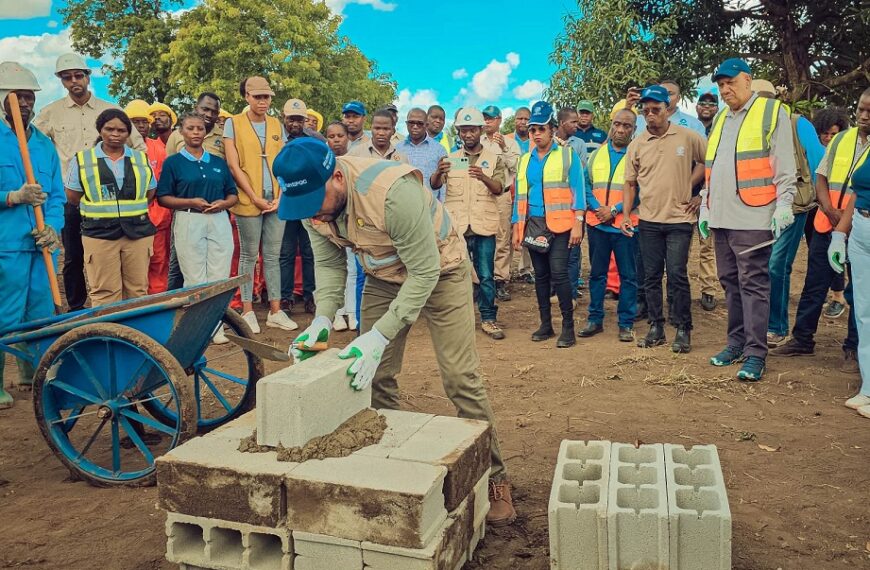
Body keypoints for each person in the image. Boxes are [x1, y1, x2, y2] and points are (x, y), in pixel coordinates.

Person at [273, 137, 517, 526]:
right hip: (384, 277)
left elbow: (423, 273)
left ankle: (495, 478)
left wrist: (378, 335)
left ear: (337, 176)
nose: (313, 216)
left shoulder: (390, 192)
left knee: (460, 378)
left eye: (315, 204)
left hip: (441, 270)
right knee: (372, 377)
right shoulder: (309, 204)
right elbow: (332, 266)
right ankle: (387, 466)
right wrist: (321, 319)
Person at [699, 60, 798, 381]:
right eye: (720, 85)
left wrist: (785, 204)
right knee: (729, 281)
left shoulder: (771, 113)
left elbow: (785, 164)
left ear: (747, 80)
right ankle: (736, 343)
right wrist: (705, 207)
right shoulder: (721, 119)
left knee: (753, 283)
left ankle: (756, 353)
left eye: (731, 83)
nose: (725, 90)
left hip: (754, 216)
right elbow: (713, 168)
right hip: (721, 216)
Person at [34, 52, 145, 312]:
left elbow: (138, 148)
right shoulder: (51, 113)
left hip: (109, 202)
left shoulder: (110, 110)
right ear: (61, 80)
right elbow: (33, 146)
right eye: (67, 77)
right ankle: (77, 312)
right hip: (72, 198)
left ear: (87, 76)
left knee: (114, 255)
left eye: (78, 75)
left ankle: (121, 311)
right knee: (73, 257)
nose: (74, 81)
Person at [771, 91, 869, 371]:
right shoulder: (841, 140)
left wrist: (845, 220)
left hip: (860, 228)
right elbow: (821, 177)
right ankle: (802, 338)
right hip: (827, 224)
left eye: (869, 112)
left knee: (859, 289)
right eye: (861, 109)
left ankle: (852, 347)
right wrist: (827, 209)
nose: (864, 116)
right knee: (814, 284)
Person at [620, 86, 706, 353]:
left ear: (667, 109)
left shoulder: (688, 137)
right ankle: (656, 327)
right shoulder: (637, 144)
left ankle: (683, 328)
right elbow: (630, 183)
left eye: (656, 110)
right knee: (652, 276)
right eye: (646, 111)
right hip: (648, 220)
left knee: (678, 274)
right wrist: (625, 214)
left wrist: (701, 194)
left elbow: (709, 163)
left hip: (680, 219)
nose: (650, 115)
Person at [0, 61, 65, 409]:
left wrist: (53, 227)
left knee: (39, 313)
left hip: (40, 247)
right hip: (5, 246)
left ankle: (30, 373)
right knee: (2, 314)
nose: (25, 104)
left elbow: (55, 196)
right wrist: (12, 197)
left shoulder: (42, 145)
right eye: (18, 97)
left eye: (29, 97)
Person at [749, 80, 826, 349]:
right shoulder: (749, 127)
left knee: (776, 265)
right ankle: (765, 322)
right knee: (763, 265)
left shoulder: (796, 123)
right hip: (760, 206)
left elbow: (819, 163)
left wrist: (821, 202)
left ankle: (776, 327)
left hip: (793, 205)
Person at [223, 76, 296, 333]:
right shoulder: (233, 124)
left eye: (266, 97)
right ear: (246, 97)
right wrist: (254, 196)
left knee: (273, 255)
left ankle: (276, 311)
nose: (263, 101)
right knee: (248, 255)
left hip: (276, 200)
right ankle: (248, 311)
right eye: (258, 97)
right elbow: (233, 164)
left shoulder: (276, 124)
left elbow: (285, 162)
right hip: (247, 200)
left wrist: (281, 195)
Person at [157, 113, 238, 343]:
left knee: (219, 274)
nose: (195, 132)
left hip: (218, 218)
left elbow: (232, 193)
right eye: (190, 128)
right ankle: (197, 328)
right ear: (181, 131)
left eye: (200, 128)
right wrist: (190, 202)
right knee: (194, 276)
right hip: (189, 218)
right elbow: (163, 197)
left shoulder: (217, 162)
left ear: (205, 132)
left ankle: (216, 327)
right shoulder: (173, 162)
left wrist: (224, 203)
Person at [512, 101, 586, 348]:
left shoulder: (567, 155)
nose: (536, 134)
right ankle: (546, 324)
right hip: (534, 225)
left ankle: (568, 327)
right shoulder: (524, 161)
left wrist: (578, 223)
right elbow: (519, 197)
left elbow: (579, 190)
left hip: (562, 225)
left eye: (541, 128)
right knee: (541, 276)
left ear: (552, 129)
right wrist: (516, 228)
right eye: (533, 129)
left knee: (559, 274)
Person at [64, 109, 157, 306]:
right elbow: (73, 196)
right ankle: (108, 335)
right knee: (105, 293)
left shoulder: (140, 159)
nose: (115, 134)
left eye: (121, 130)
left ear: (127, 133)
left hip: (137, 233)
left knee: (138, 291)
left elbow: (150, 193)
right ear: (100, 130)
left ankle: (133, 335)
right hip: (99, 235)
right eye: (109, 129)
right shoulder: (83, 159)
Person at [440, 107, 507, 339]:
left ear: (480, 130)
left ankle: (489, 319)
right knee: (456, 275)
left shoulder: (493, 159)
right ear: (459, 132)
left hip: (483, 226)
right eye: (464, 130)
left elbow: (499, 189)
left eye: (472, 130)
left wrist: (483, 177)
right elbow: (435, 183)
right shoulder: (452, 160)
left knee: (486, 274)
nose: (468, 135)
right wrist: (439, 173)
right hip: (458, 227)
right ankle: (460, 320)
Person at [827, 91, 870, 416]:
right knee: (863, 312)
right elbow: (859, 191)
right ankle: (867, 388)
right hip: (859, 231)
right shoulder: (858, 148)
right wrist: (840, 234)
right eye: (861, 109)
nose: (865, 116)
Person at [580, 109, 638, 342]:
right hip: (597, 225)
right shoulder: (597, 155)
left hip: (624, 225)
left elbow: (641, 190)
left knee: (628, 276)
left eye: (627, 126)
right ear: (611, 125)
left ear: (633, 129)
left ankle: (625, 323)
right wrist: (598, 209)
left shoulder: (637, 154)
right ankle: (595, 319)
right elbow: (586, 183)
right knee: (597, 274)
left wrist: (613, 210)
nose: (621, 130)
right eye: (617, 124)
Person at [165, 92, 225, 292]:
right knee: (180, 264)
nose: (209, 114)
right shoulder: (175, 137)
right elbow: (172, 176)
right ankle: (176, 308)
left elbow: (228, 174)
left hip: (216, 214)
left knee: (216, 267)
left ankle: (215, 318)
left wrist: (223, 203)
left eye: (214, 111)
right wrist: (189, 202)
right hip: (186, 214)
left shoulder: (223, 136)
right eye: (205, 109)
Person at [280, 98, 321, 314]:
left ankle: (310, 295)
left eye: (299, 119)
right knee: (285, 252)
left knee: (309, 251)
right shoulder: (275, 138)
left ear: (305, 120)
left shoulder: (316, 139)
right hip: (285, 203)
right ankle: (285, 298)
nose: (295, 124)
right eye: (290, 119)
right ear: (283, 117)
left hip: (308, 203)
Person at [124, 100, 170, 295]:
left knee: (158, 261)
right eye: (135, 121)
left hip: (158, 217)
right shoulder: (119, 149)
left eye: (144, 121)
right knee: (132, 264)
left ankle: (157, 298)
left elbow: (164, 184)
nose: (141, 126)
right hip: (127, 219)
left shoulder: (160, 149)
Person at [813, 106, 852, 319]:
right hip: (816, 211)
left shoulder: (844, 148)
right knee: (818, 260)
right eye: (825, 133)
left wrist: (832, 210)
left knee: (838, 256)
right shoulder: (812, 147)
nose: (828, 137)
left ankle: (838, 296)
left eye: (833, 133)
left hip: (842, 215)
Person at [481, 105, 521, 303]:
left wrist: (504, 147)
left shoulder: (511, 143)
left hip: (502, 196)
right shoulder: (477, 141)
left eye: (491, 118)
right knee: (480, 235)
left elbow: (517, 168)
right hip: (481, 196)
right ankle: (483, 279)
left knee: (502, 238)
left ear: (499, 120)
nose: (487, 121)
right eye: (485, 118)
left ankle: (501, 280)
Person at [505, 107, 534, 283]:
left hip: (529, 194)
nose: (522, 121)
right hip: (509, 193)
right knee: (507, 234)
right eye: (519, 118)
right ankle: (504, 271)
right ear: (514, 120)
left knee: (529, 231)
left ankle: (525, 270)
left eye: (526, 118)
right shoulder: (506, 140)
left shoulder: (536, 140)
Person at [396, 107, 448, 200]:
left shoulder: (439, 150)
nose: (415, 126)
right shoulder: (397, 149)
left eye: (419, 123)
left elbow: (443, 183)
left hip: (430, 207)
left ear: (426, 125)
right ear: (406, 124)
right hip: (403, 205)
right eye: (411, 122)